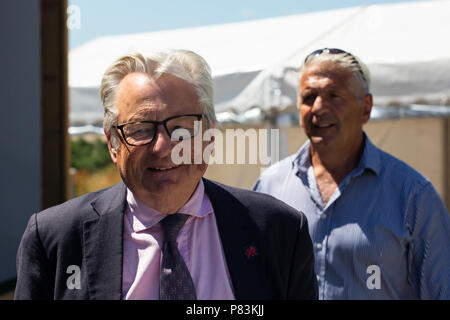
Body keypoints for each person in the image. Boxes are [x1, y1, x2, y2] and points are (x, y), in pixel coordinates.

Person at [15, 49, 317, 300]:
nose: (163, 147)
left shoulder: (279, 231)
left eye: (182, 128)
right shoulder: (55, 238)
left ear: (209, 136)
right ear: (113, 144)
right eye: (141, 129)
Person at [254, 48, 450, 300]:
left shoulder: (412, 195)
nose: (319, 108)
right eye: (308, 97)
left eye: (334, 95)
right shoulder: (270, 185)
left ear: (366, 107)